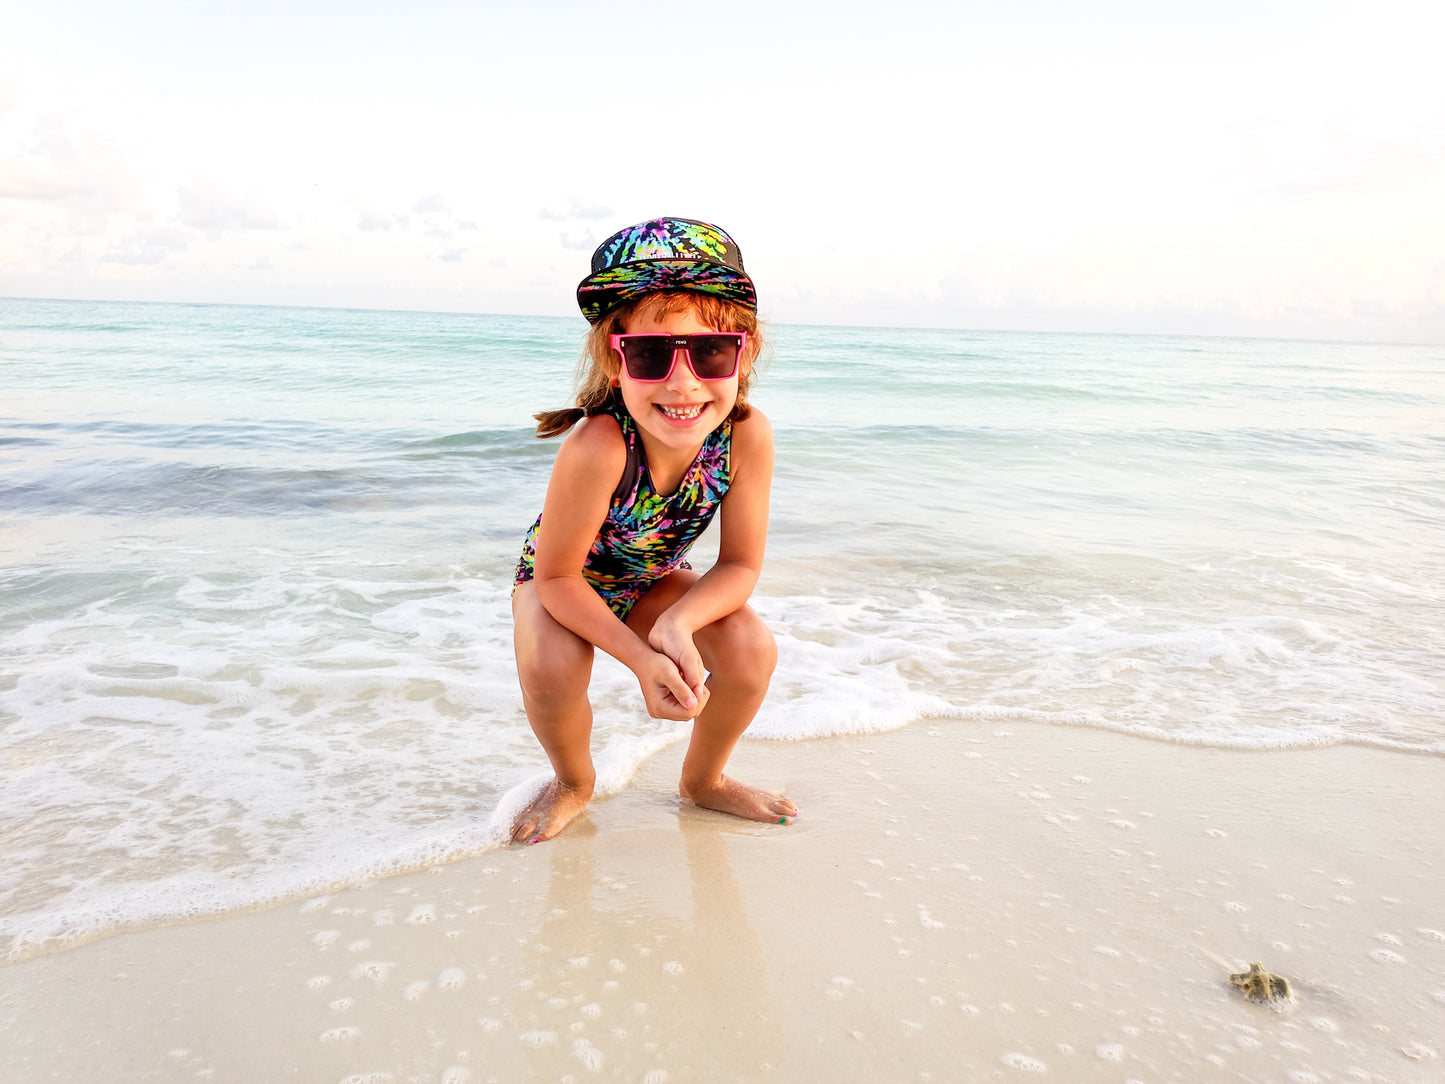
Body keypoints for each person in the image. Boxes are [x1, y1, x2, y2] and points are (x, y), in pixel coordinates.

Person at [509, 216, 797, 844]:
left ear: (743, 352)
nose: (682, 381)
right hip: (561, 580)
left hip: (648, 578)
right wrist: (642, 660)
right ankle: (573, 782)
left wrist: (677, 624)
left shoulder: (746, 436)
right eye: (650, 353)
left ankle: (704, 779)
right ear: (615, 362)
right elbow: (557, 576)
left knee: (750, 650)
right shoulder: (600, 444)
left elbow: (740, 565)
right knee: (552, 669)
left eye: (710, 351)